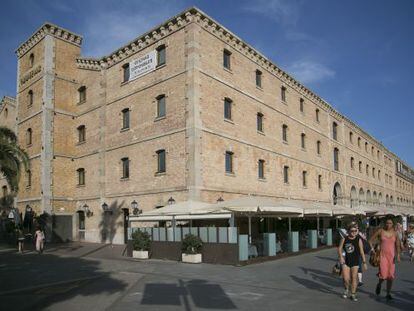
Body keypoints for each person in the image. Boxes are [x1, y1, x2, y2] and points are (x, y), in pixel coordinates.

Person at [369, 217, 401, 301]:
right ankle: (379, 284)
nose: (388, 224)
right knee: (383, 275)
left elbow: (397, 245)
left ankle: (388, 293)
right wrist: (372, 250)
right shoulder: (380, 231)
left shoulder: (395, 233)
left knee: (390, 276)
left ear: (392, 224)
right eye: (387, 223)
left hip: (392, 257)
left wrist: (398, 255)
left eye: (390, 223)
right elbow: (370, 240)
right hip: (382, 256)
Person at [338, 223, 367, 301]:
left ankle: (353, 294)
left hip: (355, 261)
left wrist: (364, 262)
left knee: (354, 278)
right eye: (352, 231)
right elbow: (339, 249)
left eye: (355, 231)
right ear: (348, 231)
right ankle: (347, 289)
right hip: (345, 261)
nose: (354, 232)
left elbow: (361, 251)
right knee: (346, 278)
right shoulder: (344, 239)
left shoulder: (358, 239)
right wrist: (341, 257)